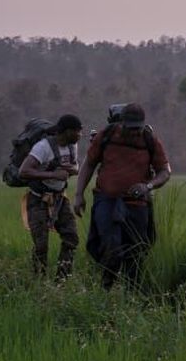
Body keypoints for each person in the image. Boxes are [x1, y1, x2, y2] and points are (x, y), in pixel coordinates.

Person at [73, 103, 171, 290]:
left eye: (138, 129)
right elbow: (89, 164)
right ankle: (106, 288)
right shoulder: (107, 136)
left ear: (143, 125)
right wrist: (79, 195)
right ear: (121, 124)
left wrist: (147, 186)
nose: (134, 133)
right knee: (111, 247)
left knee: (136, 251)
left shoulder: (150, 140)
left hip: (137, 205)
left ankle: (131, 292)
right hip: (107, 200)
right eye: (130, 128)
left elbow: (164, 172)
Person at [18, 114, 83, 281]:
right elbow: (24, 171)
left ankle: (61, 281)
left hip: (60, 199)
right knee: (41, 246)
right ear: (67, 131)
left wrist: (71, 170)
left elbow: (76, 167)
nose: (80, 135)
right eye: (77, 132)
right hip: (38, 199)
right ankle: (39, 283)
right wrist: (53, 174)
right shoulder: (43, 147)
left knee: (71, 238)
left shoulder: (72, 146)